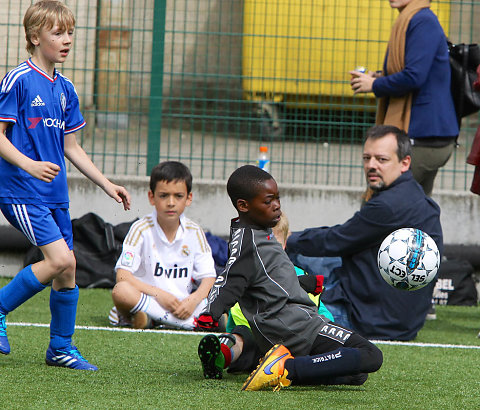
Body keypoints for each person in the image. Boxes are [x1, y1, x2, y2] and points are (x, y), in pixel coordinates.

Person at [0, 1, 131, 370]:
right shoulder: (18, 80)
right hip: (21, 190)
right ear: (34, 36)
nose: (67, 40)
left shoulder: (67, 90)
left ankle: (60, 348)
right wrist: (29, 164)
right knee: (59, 260)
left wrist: (107, 185)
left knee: (68, 270)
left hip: (55, 196)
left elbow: (72, 147)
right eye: (58, 33)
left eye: (70, 32)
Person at [195, 165, 383, 391]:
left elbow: (266, 279)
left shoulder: (254, 233)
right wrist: (211, 311)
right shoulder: (248, 242)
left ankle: (278, 367)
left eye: (277, 198)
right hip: (297, 326)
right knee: (371, 355)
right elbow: (230, 280)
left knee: (356, 374)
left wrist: (308, 283)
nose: (277, 206)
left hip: (285, 328)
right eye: (268, 201)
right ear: (243, 206)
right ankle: (287, 368)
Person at [286, 125, 443, 341]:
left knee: (290, 265)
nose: (371, 165)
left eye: (382, 159)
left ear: (404, 163)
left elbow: (336, 240)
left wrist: (286, 238)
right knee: (306, 255)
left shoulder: (388, 206)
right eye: (367, 158)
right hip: (401, 320)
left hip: (368, 320)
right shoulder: (415, 195)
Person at [350, 0, 458, 197]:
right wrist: (379, 77)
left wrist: (374, 85)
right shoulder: (414, 19)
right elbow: (414, 71)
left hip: (425, 137)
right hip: (426, 135)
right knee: (415, 210)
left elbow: (413, 76)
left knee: (381, 203)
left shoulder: (423, 21)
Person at [110, 161, 217, 330]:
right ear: (151, 197)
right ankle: (192, 324)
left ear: (189, 198)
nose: (171, 202)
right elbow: (122, 276)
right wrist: (159, 295)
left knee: (223, 297)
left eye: (178, 196)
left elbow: (209, 278)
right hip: (149, 300)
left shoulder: (195, 231)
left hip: (183, 305)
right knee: (121, 291)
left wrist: (193, 300)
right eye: (164, 195)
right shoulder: (140, 229)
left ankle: (152, 320)